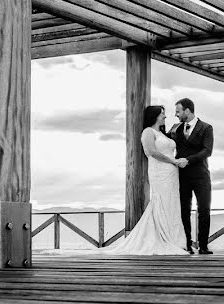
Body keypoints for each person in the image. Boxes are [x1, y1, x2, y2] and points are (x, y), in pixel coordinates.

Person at [47, 105, 188, 256]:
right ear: (154, 116)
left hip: (171, 174)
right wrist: (173, 161)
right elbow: (152, 152)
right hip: (159, 172)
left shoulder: (164, 134)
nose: (165, 117)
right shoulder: (148, 132)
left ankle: (174, 240)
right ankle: (162, 238)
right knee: (161, 202)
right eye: (162, 114)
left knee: (172, 203)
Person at [170, 98, 214, 254]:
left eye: (178, 111)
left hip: (201, 176)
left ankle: (203, 246)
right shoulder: (175, 129)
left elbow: (207, 151)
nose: (175, 115)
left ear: (187, 111)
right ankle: (186, 245)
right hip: (181, 176)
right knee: (184, 210)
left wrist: (187, 160)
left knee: (204, 210)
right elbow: (164, 142)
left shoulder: (206, 127)